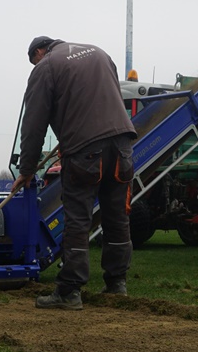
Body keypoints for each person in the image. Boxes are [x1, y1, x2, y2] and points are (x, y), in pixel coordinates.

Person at [12, 36, 137, 310]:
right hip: (122, 144)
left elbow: (34, 124)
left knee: (78, 218)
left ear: (39, 52)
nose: (35, 63)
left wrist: (27, 169)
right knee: (116, 216)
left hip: (84, 150)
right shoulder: (100, 52)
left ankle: (69, 291)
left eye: (34, 60)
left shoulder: (45, 68)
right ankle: (117, 284)